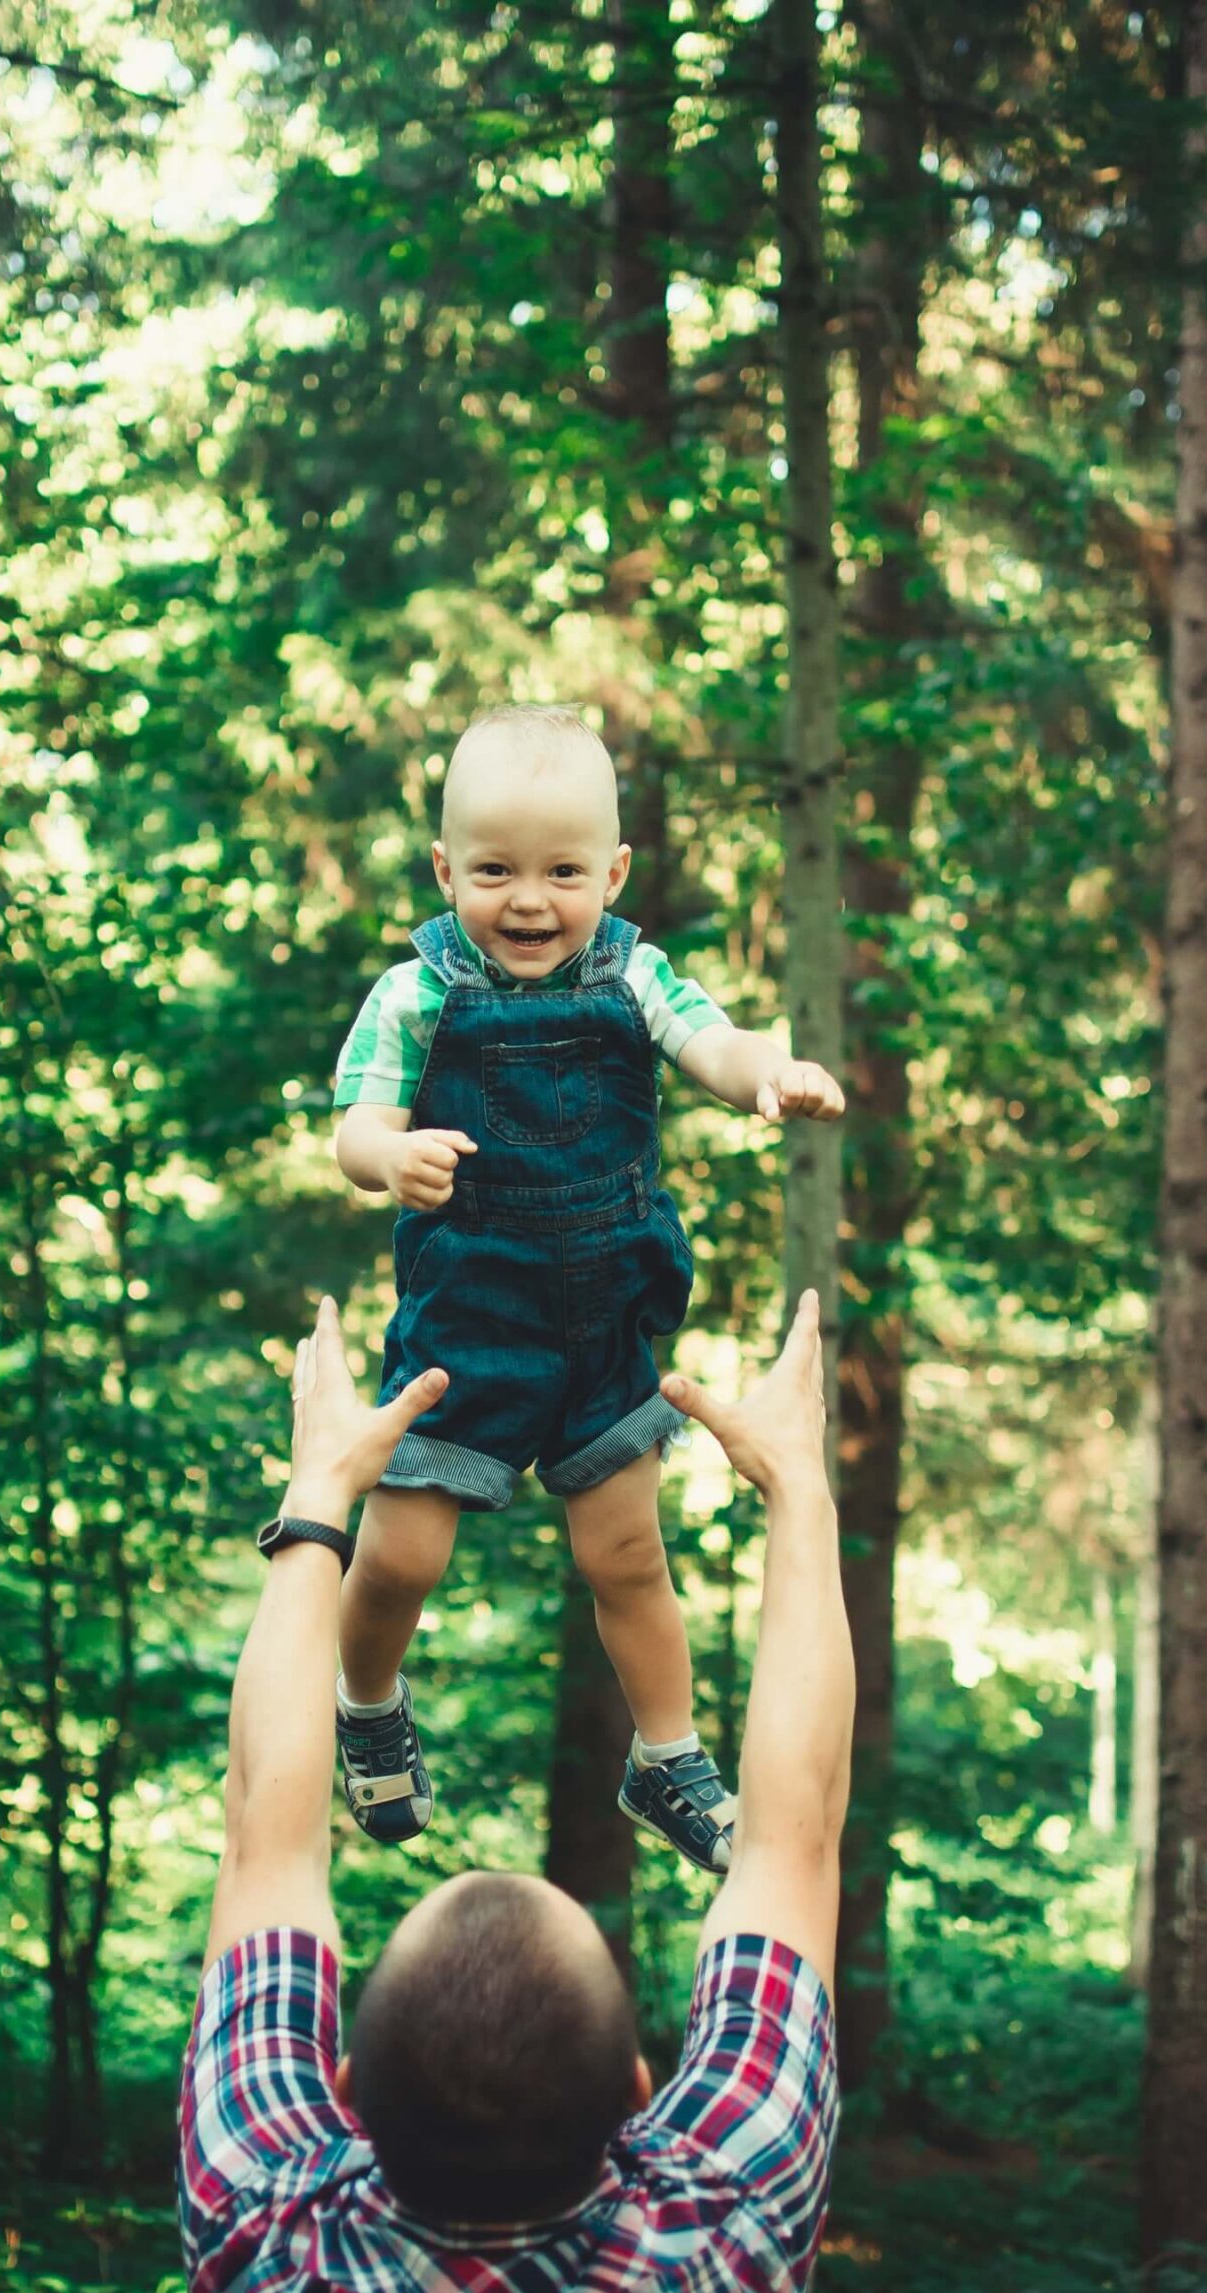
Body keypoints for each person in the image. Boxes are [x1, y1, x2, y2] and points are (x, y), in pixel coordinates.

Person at [181, 1287, 853, 2293]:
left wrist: (323, 1495)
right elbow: (796, 1833)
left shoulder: (264, 2255)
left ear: (342, 2093)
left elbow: (266, 1833)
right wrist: (799, 1493)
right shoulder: (722, 2249)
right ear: (641, 2095)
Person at [329, 703, 844, 1874]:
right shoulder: (416, 994)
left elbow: (717, 1047)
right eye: (496, 870)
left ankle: (666, 1756)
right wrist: (387, 1158)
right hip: (470, 1325)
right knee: (403, 1554)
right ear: (445, 868)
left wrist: (772, 1074)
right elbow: (356, 1125)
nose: (529, 900)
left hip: (606, 1322)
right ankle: (366, 1703)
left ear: (611, 871)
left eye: (563, 871)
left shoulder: (638, 975)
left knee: (629, 1560)